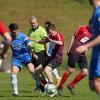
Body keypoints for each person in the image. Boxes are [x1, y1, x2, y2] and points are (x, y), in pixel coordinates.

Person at [57, 26, 92, 96]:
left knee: (85, 72)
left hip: (82, 54)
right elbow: (73, 37)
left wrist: (87, 49)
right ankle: (60, 86)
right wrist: (69, 49)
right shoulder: (82, 28)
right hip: (74, 51)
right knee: (70, 70)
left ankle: (71, 85)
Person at [77, 0, 100, 95]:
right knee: (92, 85)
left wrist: (86, 46)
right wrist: (87, 45)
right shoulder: (95, 11)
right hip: (95, 53)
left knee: (97, 82)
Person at [35, 23, 64, 97]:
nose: (49, 33)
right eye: (48, 32)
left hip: (57, 58)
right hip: (51, 58)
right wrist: (34, 40)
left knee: (47, 70)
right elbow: (43, 41)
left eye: (50, 32)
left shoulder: (58, 35)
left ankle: (52, 88)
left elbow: (60, 43)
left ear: (54, 30)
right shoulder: (50, 36)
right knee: (37, 71)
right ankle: (46, 86)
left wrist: (51, 40)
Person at [9, 23, 36, 96]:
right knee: (13, 73)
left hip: (25, 56)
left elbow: (29, 45)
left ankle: (40, 84)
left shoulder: (23, 36)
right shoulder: (8, 38)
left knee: (31, 70)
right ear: (10, 31)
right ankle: (15, 93)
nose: (15, 33)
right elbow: (2, 45)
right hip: (16, 58)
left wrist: (33, 53)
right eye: (13, 32)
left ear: (17, 30)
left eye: (16, 31)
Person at [27, 16, 48, 92]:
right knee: (31, 70)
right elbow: (29, 42)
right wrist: (32, 53)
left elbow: (46, 41)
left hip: (41, 52)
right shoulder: (29, 30)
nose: (33, 24)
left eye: (34, 23)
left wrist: (46, 52)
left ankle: (45, 86)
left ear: (37, 22)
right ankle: (41, 85)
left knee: (37, 71)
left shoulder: (42, 30)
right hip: (33, 53)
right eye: (31, 23)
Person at [44, 21, 61, 87]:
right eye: (45, 26)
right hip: (48, 52)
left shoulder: (52, 35)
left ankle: (48, 85)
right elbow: (46, 42)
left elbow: (59, 43)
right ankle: (47, 83)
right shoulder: (48, 34)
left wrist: (47, 52)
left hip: (51, 54)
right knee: (47, 69)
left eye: (47, 26)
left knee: (47, 69)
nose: (46, 28)